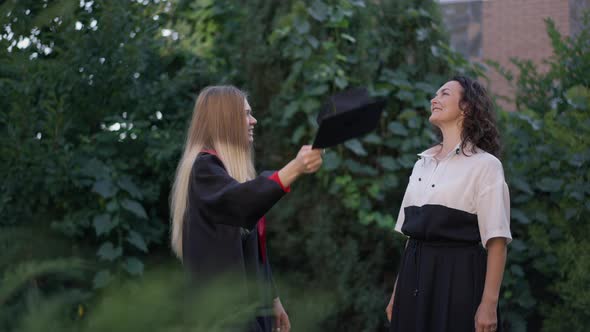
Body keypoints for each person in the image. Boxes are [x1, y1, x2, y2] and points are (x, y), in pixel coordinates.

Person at [170, 85, 323, 332]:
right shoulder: (203, 169)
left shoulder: (224, 175)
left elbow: (253, 251)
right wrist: (294, 168)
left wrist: (272, 300)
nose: (253, 120)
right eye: (245, 114)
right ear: (224, 120)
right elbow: (244, 202)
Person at [385, 76, 512, 332]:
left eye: (444, 94)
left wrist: (488, 304)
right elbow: (413, 236)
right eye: (435, 94)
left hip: (458, 279)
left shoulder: (485, 165)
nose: (434, 99)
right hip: (414, 276)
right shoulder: (421, 163)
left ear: (466, 107)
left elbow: (496, 240)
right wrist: (396, 292)